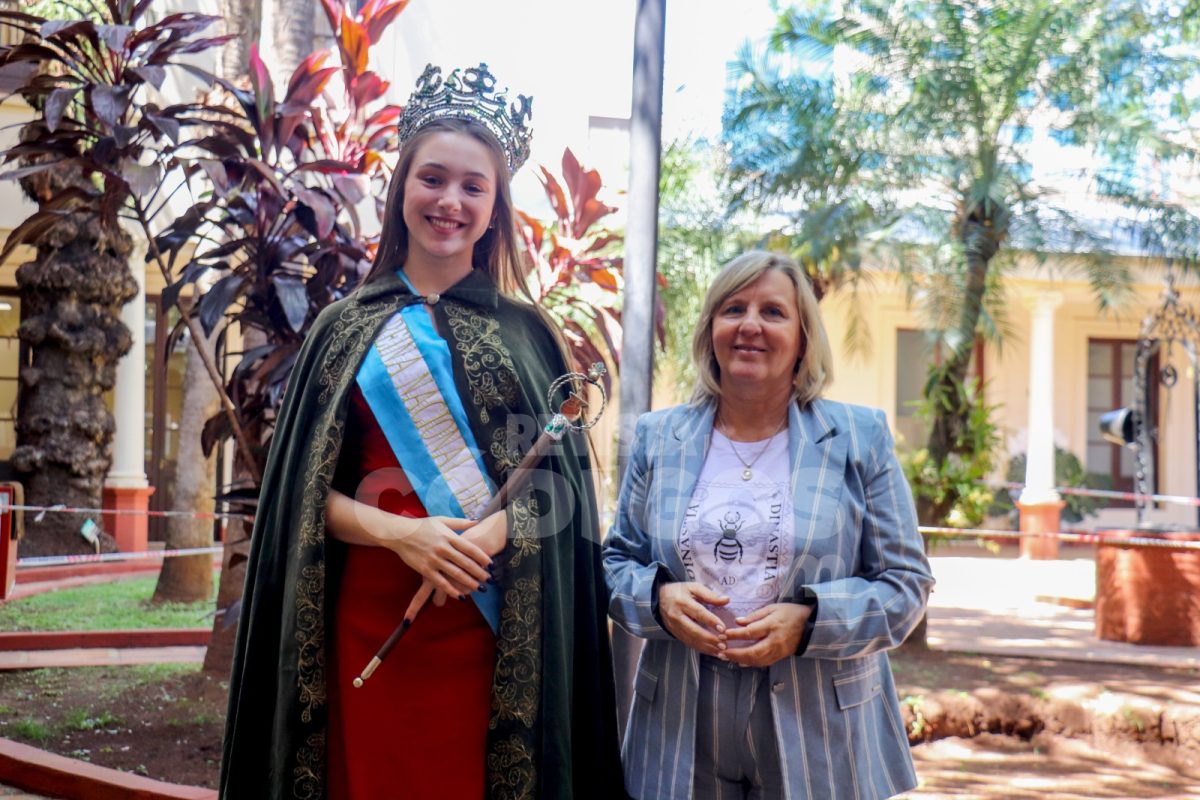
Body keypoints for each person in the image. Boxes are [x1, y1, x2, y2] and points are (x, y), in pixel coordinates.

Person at [220, 63, 625, 800]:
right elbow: (302, 502)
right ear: (401, 186)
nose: (450, 201)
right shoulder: (342, 330)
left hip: (490, 628)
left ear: (496, 206)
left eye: (474, 186)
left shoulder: (531, 336)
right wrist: (404, 535)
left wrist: (491, 537)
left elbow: (560, 497)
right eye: (433, 178)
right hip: (368, 617)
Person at [603, 250, 934, 800]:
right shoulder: (658, 437)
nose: (750, 325)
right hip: (681, 719)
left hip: (820, 724)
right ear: (711, 329)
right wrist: (657, 599)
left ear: (803, 337)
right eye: (733, 308)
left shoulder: (859, 438)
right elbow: (616, 562)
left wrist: (809, 624)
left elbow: (906, 584)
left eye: (774, 312)